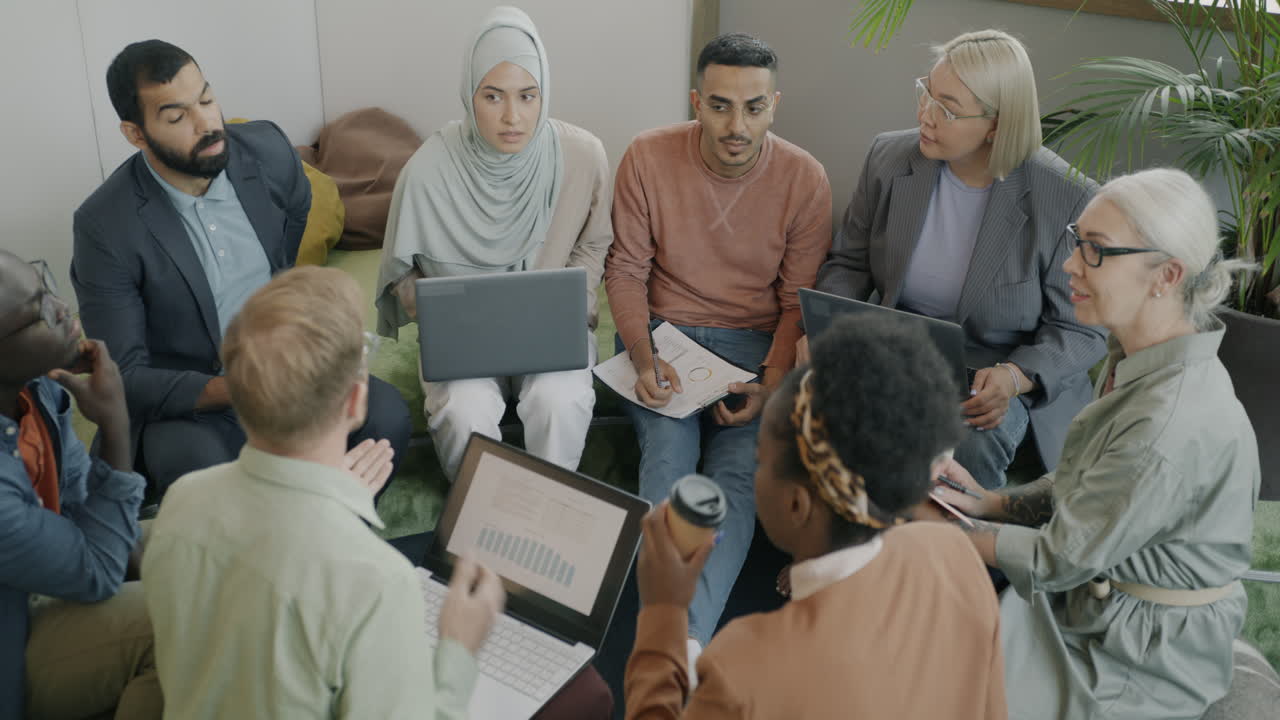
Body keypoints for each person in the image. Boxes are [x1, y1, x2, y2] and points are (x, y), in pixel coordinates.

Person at [929, 168, 1260, 719]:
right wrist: (989, 503)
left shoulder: (1166, 423)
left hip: (1137, 654)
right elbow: (1089, 484)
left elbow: (1058, 559)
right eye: (1076, 240)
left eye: (1097, 250)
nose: (1070, 264)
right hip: (1095, 604)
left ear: (1167, 275)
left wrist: (941, 527)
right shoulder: (1145, 356)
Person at [142, 266, 503, 718]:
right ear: (355, 400)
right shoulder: (377, 580)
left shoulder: (182, 502)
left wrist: (329, 506)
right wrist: (459, 648)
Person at [72, 39, 412, 495]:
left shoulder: (266, 151)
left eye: (206, 100)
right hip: (194, 401)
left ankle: (329, 524)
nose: (206, 124)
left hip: (288, 367)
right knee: (205, 473)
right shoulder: (105, 226)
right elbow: (123, 376)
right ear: (136, 134)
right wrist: (240, 387)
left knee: (385, 419)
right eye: (177, 117)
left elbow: (295, 215)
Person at [624, 313, 1006, 718]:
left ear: (796, 505)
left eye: (762, 460)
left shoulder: (744, 661)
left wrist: (663, 612)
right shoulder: (960, 561)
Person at [604, 32, 832, 665]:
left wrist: (772, 380)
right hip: (663, 339)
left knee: (737, 478)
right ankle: (672, 635)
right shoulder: (647, 156)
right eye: (721, 106)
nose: (737, 126)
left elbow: (797, 301)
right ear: (696, 102)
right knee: (667, 465)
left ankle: (682, 641)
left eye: (754, 108)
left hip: (752, 351)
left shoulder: (805, 178)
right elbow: (625, 271)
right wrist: (643, 357)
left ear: (774, 105)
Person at [812, 29, 1106, 489]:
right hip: (899, 352)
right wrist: (823, 331)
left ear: (997, 125)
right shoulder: (889, 157)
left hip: (997, 371)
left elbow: (1081, 328)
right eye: (926, 93)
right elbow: (849, 263)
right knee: (814, 412)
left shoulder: (1066, 196)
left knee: (968, 443)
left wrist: (1014, 377)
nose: (925, 115)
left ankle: (955, 538)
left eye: (947, 109)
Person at [376, 6, 612, 479]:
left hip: (549, 329)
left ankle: (549, 502)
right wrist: (441, 311)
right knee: (462, 409)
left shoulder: (582, 155)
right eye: (492, 96)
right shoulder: (427, 169)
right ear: (469, 93)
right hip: (464, 341)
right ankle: (480, 514)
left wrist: (574, 301)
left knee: (559, 399)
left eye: (527, 96)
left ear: (544, 93)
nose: (512, 117)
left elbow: (594, 242)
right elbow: (402, 272)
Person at [0, 251, 161, 719]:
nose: (62, 308)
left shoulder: (37, 389)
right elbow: (99, 570)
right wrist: (115, 424)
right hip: (14, 637)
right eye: (39, 312)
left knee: (201, 534)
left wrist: (164, 575)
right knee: (172, 621)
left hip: (51, 571)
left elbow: (84, 502)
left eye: (45, 285)